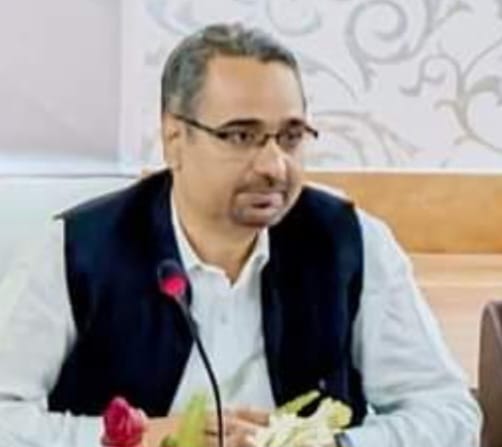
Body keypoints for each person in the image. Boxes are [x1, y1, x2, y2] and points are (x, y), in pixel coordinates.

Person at [0, 23, 480, 447]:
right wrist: (136, 439)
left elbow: (450, 415)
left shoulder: (351, 243)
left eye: (290, 136)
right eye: (240, 136)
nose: (274, 166)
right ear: (174, 139)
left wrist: (333, 445)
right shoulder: (75, 249)